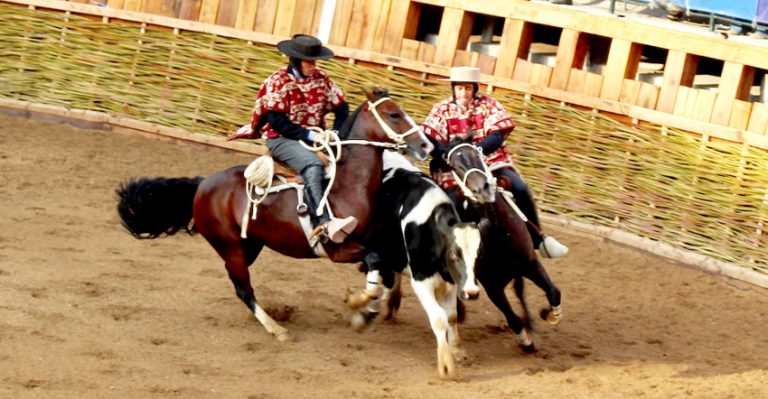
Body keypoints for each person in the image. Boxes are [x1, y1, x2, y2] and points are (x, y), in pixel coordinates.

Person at [422, 66, 569, 258]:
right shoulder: (441, 109)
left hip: (489, 161)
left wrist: (477, 151)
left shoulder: (488, 104)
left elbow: (498, 134)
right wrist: (445, 155)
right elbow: (430, 137)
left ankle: (537, 238)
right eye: (459, 88)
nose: (464, 93)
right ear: (453, 88)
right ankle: (443, 246)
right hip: (455, 167)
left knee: (521, 188)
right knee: (449, 201)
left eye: (468, 88)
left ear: (475, 88)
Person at [231, 34, 356, 244]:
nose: (313, 65)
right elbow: (277, 122)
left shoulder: (322, 79)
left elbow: (342, 106)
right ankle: (322, 223)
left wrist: (336, 133)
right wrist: (310, 135)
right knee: (313, 165)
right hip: (281, 137)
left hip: (316, 136)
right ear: (295, 60)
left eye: (315, 61)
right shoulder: (277, 82)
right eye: (309, 61)